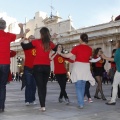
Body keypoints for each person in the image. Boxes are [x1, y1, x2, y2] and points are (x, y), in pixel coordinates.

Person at [20, 27, 55, 112]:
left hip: (37, 67)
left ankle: (42, 106)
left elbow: (25, 46)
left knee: (40, 87)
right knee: (44, 86)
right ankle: (43, 104)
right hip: (47, 67)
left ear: (41, 34)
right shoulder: (50, 43)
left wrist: (21, 42)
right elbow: (57, 49)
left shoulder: (36, 42)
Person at [57, 33, 95, 109]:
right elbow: (90, 58)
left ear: (81, 39)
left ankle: (81, 103)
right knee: (83, 85)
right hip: (86, 67)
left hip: (78, 66)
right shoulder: (90, 49)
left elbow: (68, 56)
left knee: (78, 86)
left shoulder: (77, 47)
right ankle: (81, 103)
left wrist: (60, 53)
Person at [0, 18, 24, 112]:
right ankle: (1, 106)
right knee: (2, 86)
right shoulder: (8, 35)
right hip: (5, 63)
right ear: (5, 27)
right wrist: (21, 27)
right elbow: (21, 35)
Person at [101, 40, 120, 105]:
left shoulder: (118, 50)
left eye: (117, 42)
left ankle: (113, 100)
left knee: (114, 85)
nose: (116, 44)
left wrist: (104, 57)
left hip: (119, 71)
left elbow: (114, 59)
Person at [21, 35, 37, 106]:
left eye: (34, 38)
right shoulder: (26, 47)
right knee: (28, 84)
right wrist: (23, 38)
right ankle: (27, 100)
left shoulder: (37, 47)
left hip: (36, 68)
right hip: (28, 68)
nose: (32, 39)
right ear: (28, 39)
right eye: (31, 38)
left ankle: (32, 99)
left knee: (34, 85)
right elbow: (21, 43)